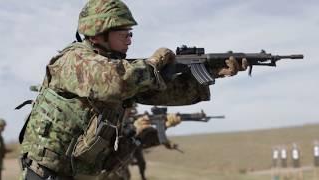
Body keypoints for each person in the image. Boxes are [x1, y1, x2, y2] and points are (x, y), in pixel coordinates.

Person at [18, 0, 247, 179]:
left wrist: (212, 73)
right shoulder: (73, 60)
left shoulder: (120, 72)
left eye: (131, 34)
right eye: (124, 34)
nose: (130, 40)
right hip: (45, 176)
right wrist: (153, 63)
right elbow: (116, 80)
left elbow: (167, 92)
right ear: (99, 33)